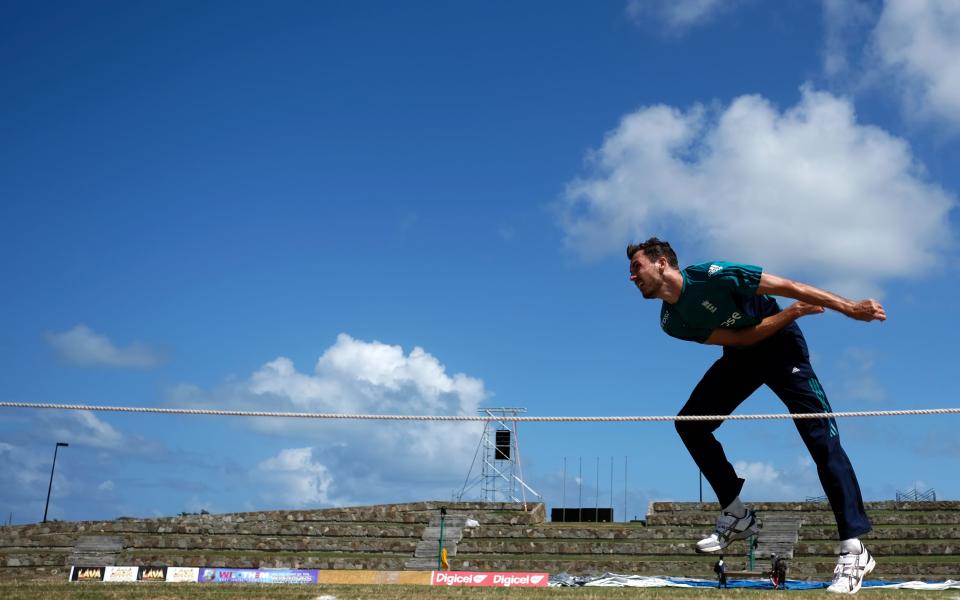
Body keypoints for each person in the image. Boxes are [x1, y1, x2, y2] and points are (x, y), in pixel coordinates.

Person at [627, 238, 884, 595]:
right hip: (743, 352)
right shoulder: (672, 321)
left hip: (782, 347)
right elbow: (744, 338)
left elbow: (790, 287)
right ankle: (736, 513)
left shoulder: (714, 275)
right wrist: (791, 312)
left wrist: (849, 307)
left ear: (662, 263)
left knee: (821, 440)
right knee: (690, 424)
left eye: (636, 266)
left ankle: (855, 549)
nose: (632, 276)